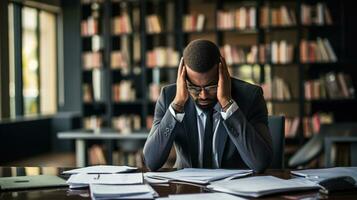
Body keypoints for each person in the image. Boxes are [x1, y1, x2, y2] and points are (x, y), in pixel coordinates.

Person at [143, 39, 272, 172]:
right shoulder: (169, 97)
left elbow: (260, 163)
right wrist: (177, 105)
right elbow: (151, 162)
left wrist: (228, 104)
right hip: (187, 188)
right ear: (183, 77)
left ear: (223, 72)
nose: (203, 95)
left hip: (233, 188)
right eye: (194, 87)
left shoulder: (250, 96)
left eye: (211, 86)